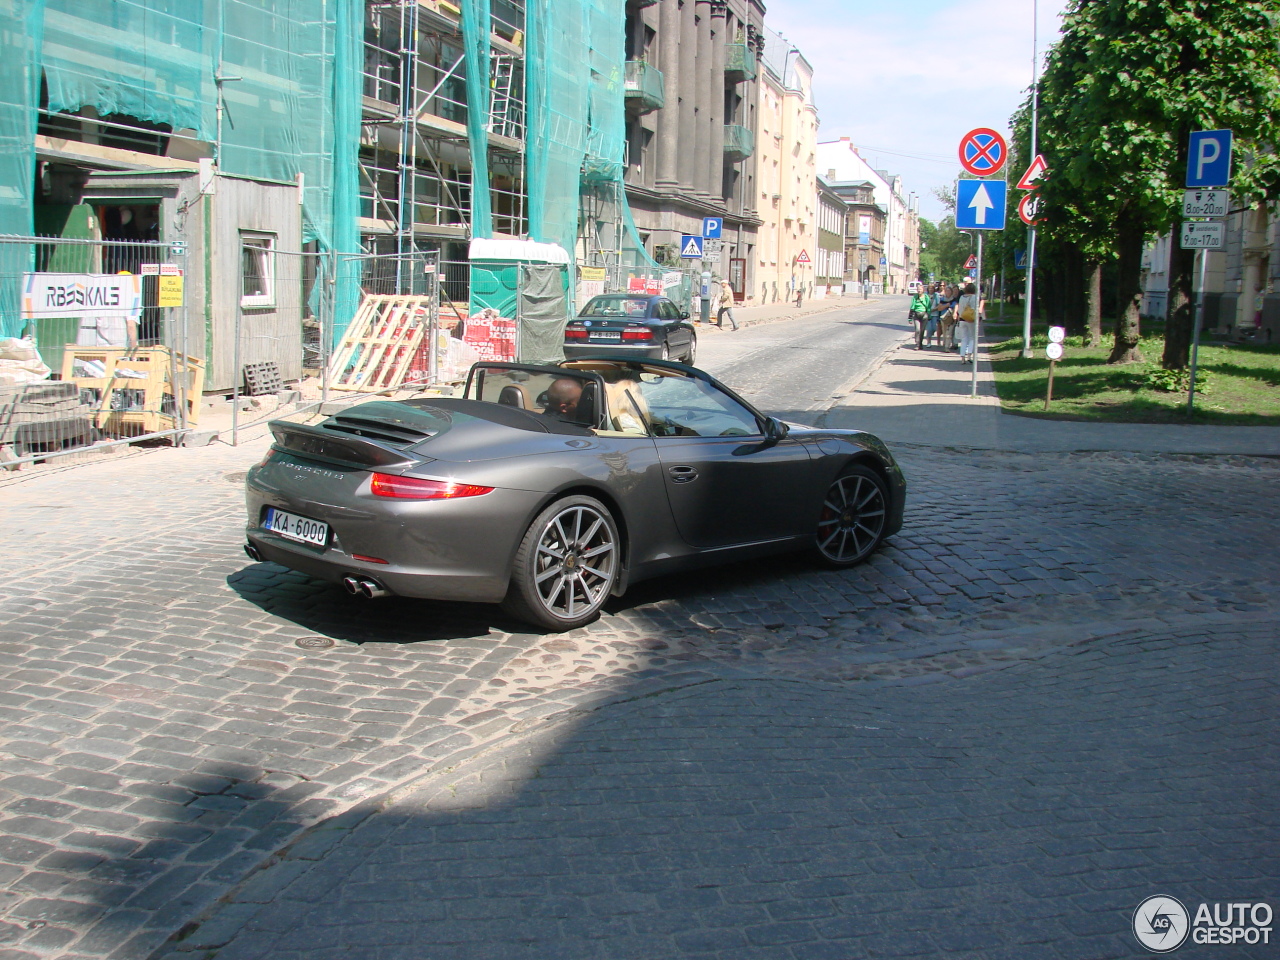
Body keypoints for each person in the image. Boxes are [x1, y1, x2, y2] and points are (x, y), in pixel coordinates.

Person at [955, 282, 980, 361]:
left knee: (964, 338)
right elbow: (974, 309)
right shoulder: (974, 297)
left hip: (962, 318)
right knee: (972, 337)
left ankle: (962, 357)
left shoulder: (962, 297)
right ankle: (969, 355)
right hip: (971, 319)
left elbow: (960, 308)